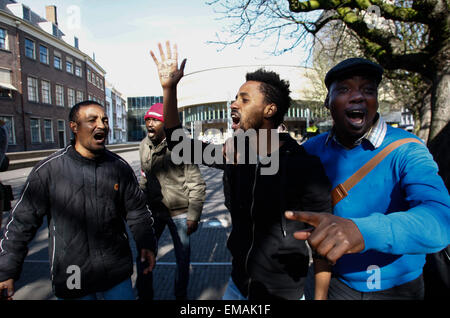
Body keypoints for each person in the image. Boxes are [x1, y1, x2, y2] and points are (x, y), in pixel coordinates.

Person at [150, 41, 332, 300]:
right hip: (237, 287)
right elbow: (179, 142)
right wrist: (169, 89)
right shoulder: (236, 154)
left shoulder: (305, 166)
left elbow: (322, 243)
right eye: (235, 98)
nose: (234, 104)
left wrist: (321, 298)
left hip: (283, 293)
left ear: (269, 110)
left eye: (244, 99)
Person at [286, 58, 450, 300]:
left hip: (401, 289)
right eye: (344, 89)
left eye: (368, 90)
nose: (358, 97)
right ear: (327, 103)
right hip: (337, 285)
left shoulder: (408, 149)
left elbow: (440, 222)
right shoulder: (310, 150)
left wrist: (362, 231)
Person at [0, 101, 157, 300]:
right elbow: (21, 223)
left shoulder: (119, 167)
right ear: (74, 127)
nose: (102, 125)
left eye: (104, 120)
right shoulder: (49, 170)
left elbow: (138, 211)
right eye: (92, 120)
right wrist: (6, 271)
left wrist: (147, 244)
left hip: (115, 273)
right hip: (71, 274)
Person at [136, 102, 206, 300]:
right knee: (143, 255)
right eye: (148, 120)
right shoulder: (143, 145)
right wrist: (139, 209)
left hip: (180, 214)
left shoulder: (182, 147)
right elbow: (144, 178)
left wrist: (193, 215)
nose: (150, 124)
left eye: (155, 120)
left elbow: (196, 183)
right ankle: (144, 295)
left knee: (182, 260)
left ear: (166, 125)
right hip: (154, 213)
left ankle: (180, 296)